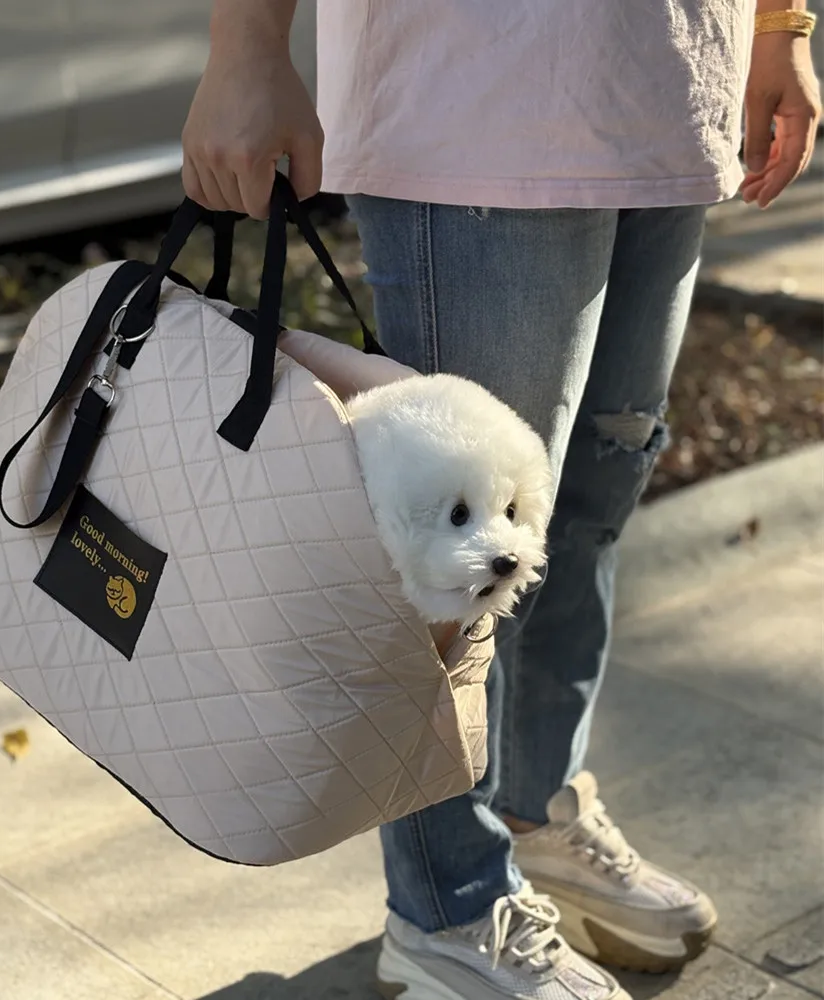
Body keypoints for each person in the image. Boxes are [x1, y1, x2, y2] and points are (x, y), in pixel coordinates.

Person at [181, 2, 821, 998]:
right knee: (454, 558)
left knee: (580, 517)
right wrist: (246, 47)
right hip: (480, 108)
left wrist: (778, 25)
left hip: (675, 87)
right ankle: (448, 903)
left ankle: (533, 810)